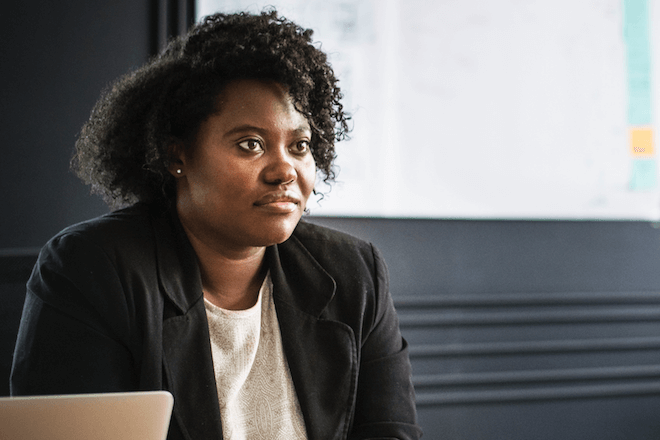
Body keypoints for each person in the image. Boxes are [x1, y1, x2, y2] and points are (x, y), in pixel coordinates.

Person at [10, 9, 422, 440]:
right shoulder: (94, 269)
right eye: (251, 144)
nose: (285, 170)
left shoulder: (354, 273)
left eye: (300, 145)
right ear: (176, 156)